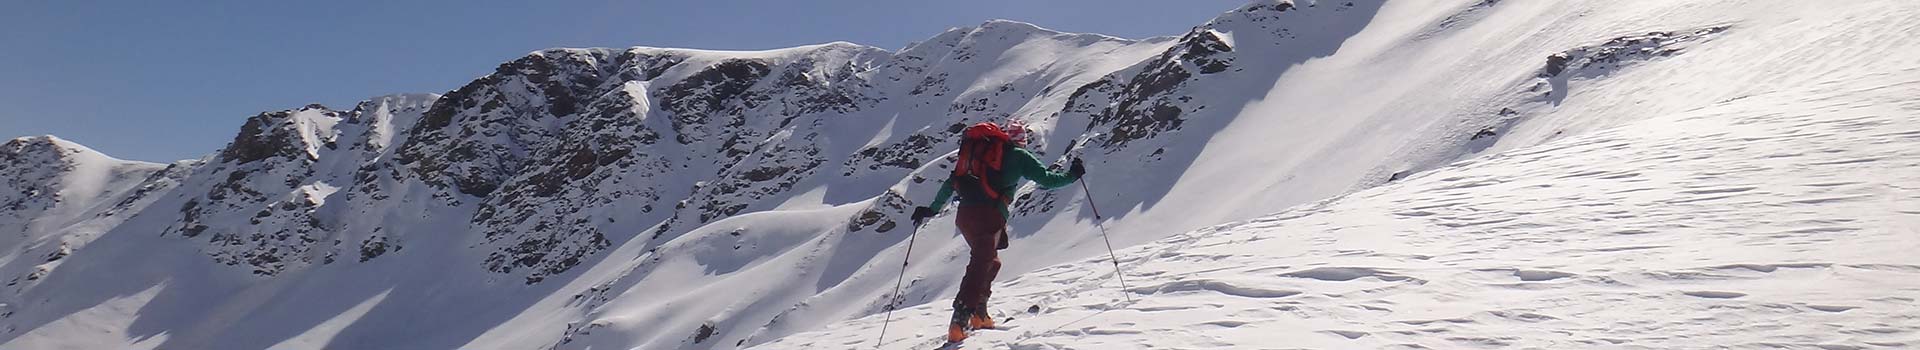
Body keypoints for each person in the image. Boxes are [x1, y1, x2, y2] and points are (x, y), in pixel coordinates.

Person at [910, 121, 1085, 343]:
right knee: (980, 264)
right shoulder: (1019, 155)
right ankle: (959, 321)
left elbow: (951, 182)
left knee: (991, 262)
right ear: (1020, 140)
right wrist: (1073, 175)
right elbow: (1047, 181)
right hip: (989, 216)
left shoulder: (978, 157)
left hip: (965, 216)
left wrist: (931, 209)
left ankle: (979, 315)